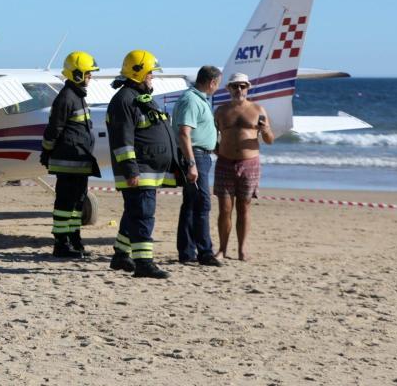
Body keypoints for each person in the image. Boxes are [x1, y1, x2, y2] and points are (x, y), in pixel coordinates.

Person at [106, 50, 181, 279]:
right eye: (150, 73)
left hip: (150, 170)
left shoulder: (142, 98)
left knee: (134, 213)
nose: (152, 77)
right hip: (139, 171)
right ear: (137, 72)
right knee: (143, 215)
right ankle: (143, 263)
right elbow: (122, 140)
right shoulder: (124, 100)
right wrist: (131, 169)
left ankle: (120, 255)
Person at [40, 51, 101, 259]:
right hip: (68, 162)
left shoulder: (78, 97)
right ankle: (61, 243)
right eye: (88, 74)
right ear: (76, 74)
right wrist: (46, 151)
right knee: (65, 205)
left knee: (76, 204)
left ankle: (74, 239)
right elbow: (53, 130)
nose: (90, 78)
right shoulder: (66, 98)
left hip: (79, 161)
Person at [214, 73, 274, 261]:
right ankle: (222, 249)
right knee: (224, 208)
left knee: (244, 207)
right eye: (235, 86)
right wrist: (218, 151)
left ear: (248, 88)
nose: (239, 90)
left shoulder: (258, 109)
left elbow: (270, 140)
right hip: (225, 162)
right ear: (228, 88)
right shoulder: (221, 111)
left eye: (242, 86)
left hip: (250, 163)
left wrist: (265, 131)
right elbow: (211, 135)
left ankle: (242, 249)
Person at [174, 65, 223, 267]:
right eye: (217, 84)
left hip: (201, 155)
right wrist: (192, 163)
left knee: (192, 203)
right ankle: (204, 252)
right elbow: (184, 133)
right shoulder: (192, 100)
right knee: (202, 203)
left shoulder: (197, 99)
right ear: (211, 82)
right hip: (196, 156)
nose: (216, 88)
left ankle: (187, 251)